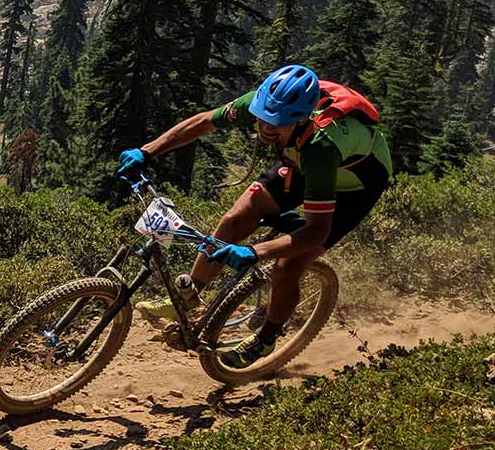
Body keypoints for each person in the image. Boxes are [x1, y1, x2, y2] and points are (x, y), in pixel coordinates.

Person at [116, 64, 393, 367]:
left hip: (354, 185)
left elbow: (316, 231)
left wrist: (254, 252)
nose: (265, 128)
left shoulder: (320, 147)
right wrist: (148, 151)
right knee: (233, 221)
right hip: (300, 165)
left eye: (277, 123)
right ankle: (188, 296)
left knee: (288, 264)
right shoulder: (262, 104)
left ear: (300, 119)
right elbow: (205, 121)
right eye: (263, 118)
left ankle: (266, 339)